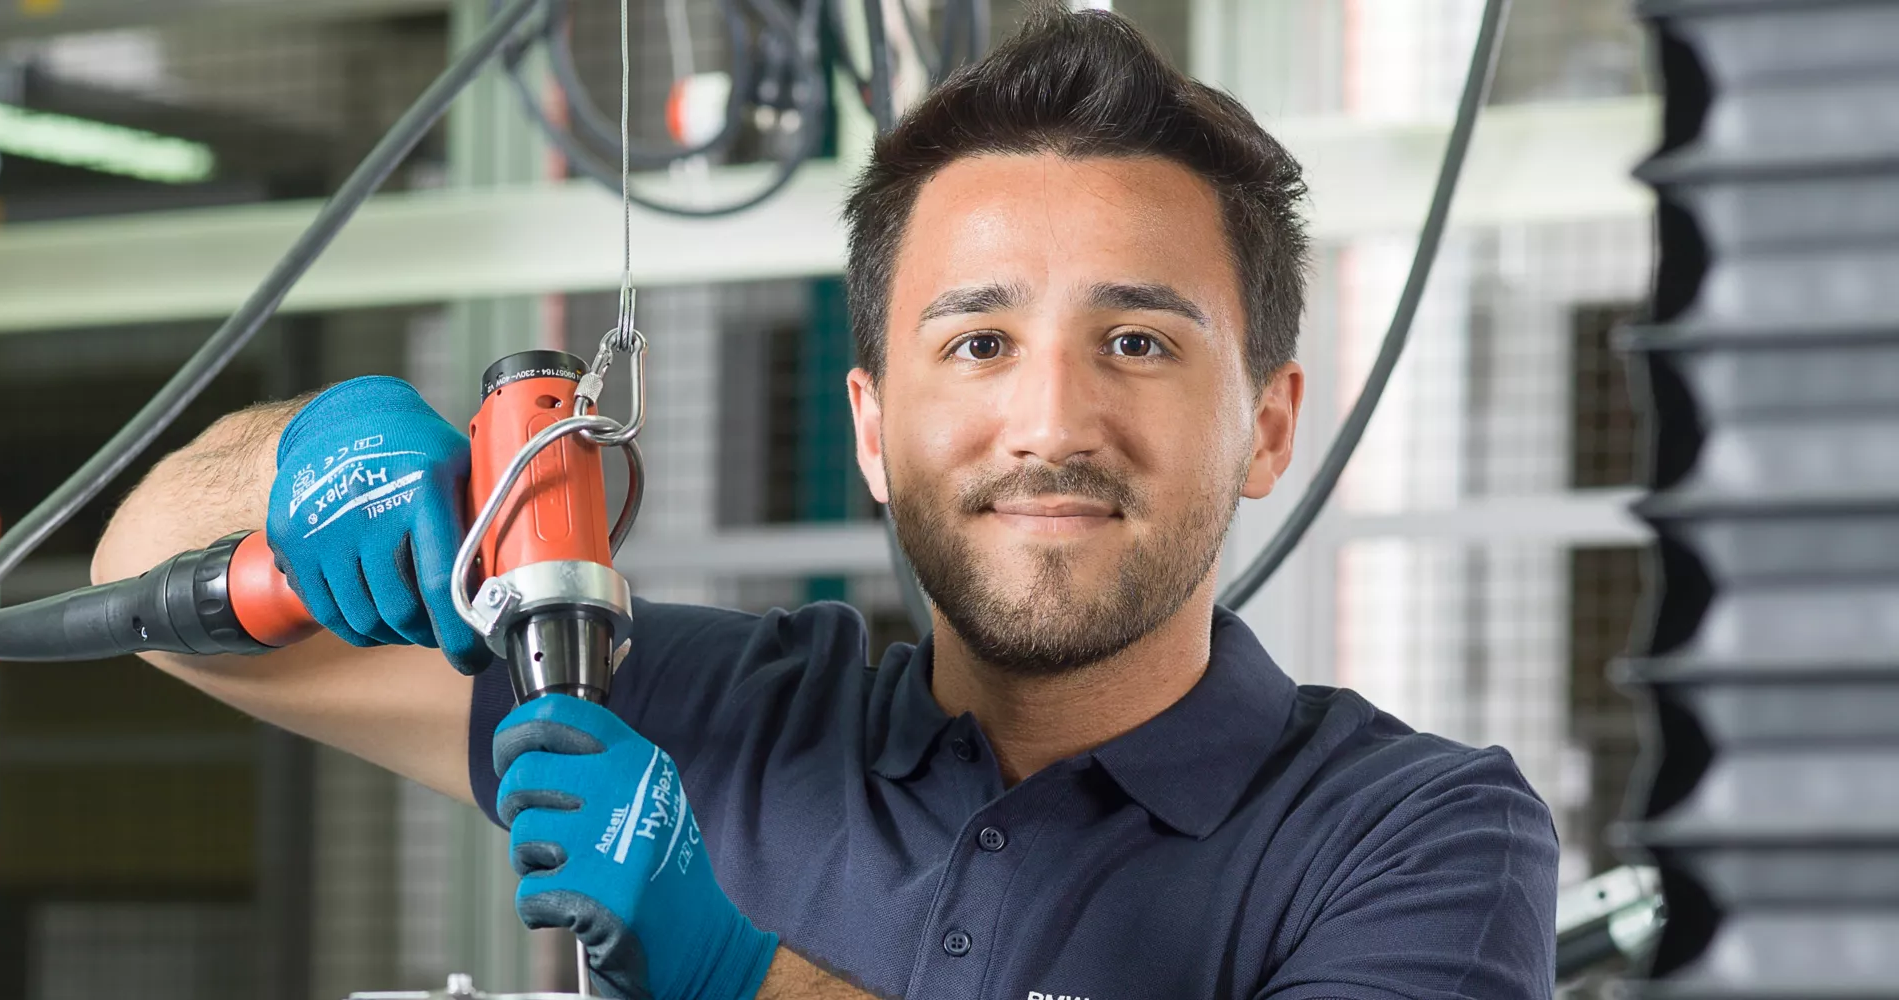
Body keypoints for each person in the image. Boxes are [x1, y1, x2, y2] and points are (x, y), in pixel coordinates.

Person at [91, 7, 1559, 1000]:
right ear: (870, 427)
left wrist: (748, 974)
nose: (1048, 423)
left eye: (1138, 343)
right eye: (977, 345)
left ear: (1269, 424)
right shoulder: (721, 718)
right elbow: (146, 579)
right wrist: (317, 449)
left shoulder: (1412, 835)